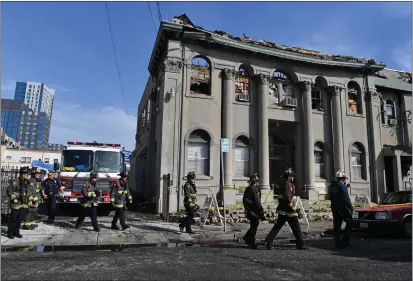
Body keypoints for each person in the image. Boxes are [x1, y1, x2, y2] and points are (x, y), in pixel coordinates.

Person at [263, 168, 308, 250]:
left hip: (282, 210)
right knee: (296, 227)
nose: (293, 178)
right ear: (289, 177)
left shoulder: (283, 184)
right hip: (288, 210)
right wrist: (294, 208)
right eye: (292, 176)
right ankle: (300, 244)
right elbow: (288, 197)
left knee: (277, 227)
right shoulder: (288, 185)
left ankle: (267, 242)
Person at [329, 171, 354, 249]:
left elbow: (337, 193)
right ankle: (345, 241)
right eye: (344, 179)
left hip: (334, 208)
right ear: (342, 179)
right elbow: (345, 198)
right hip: (342, 208)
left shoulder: (332, 186)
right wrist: (351, 207)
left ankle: (338, 243)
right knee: (350, 222)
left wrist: (346, 187)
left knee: (337, 226)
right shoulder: (342, 186)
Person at [7, 167, 33, 239]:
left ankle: (16, 232)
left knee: (19, 219)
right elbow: (9, 191)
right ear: (22, 174)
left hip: (24, 204)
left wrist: (30, 200)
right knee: (13, 219)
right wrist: (14, 197)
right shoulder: (15, 181)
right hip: (16, 203)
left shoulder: (27, 182)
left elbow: (30, 192)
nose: (27, 175)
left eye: (28, 174)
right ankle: (10, 233)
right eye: (26, 174)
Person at [242, 173, 266, 249]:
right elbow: (257, 202)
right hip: (254, 211)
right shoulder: (254, 189)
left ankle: (247, 237)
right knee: (254, 226)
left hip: (249, 210)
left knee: (254, 224)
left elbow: (245, 200)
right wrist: (261, 213)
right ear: (256, 182)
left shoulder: (249, 189)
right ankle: (250, 242)